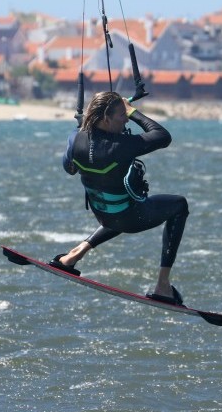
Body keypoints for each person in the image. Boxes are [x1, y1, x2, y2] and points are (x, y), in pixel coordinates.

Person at [50, 91, 189, 305]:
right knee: (180, 205)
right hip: (131, 218)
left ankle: (73, 255)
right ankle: (163, 285)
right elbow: (162, 136)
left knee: (117, 204)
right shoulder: (123, 146)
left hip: (103, 216)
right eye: (121, 116)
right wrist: (133, 111)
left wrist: (82, 131)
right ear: (106, 118)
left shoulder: (75, 138)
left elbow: (69, 168)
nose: (125, 120)